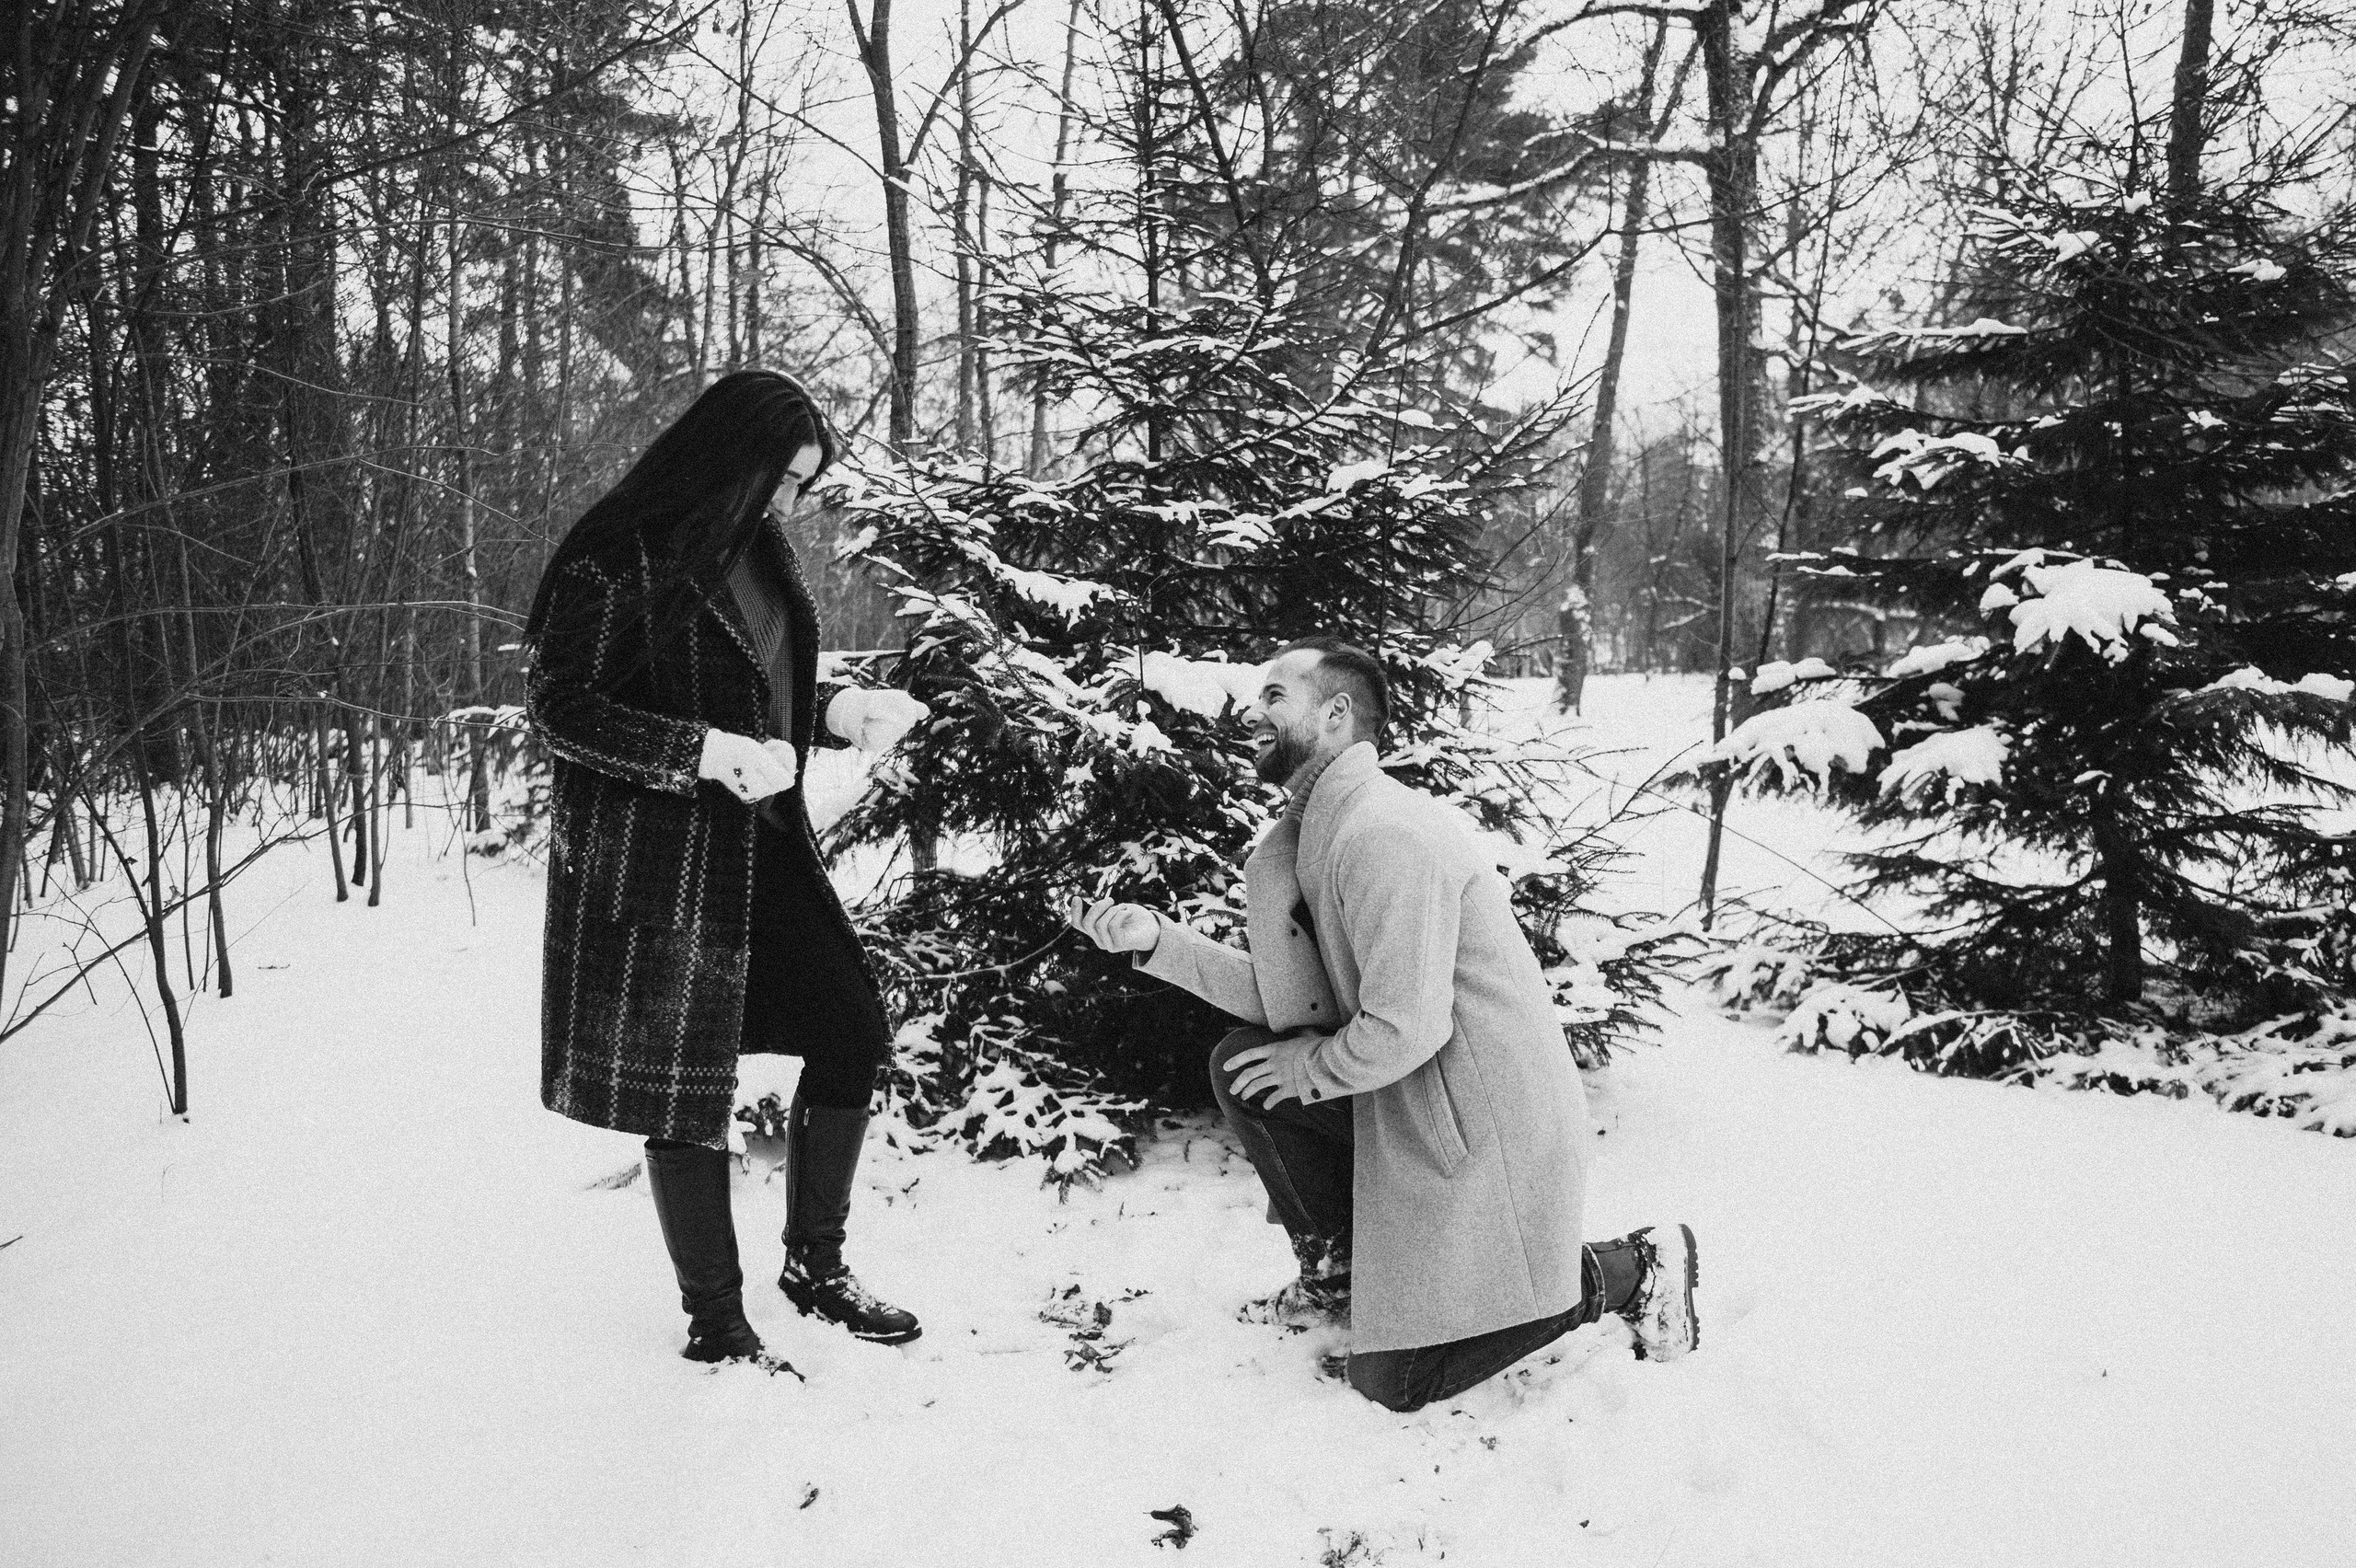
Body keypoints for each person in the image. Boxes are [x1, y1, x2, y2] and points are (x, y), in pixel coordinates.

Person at [1074, 636, 1699, 1412]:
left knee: (1398, 1382)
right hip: (1414, 1094)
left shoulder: (1382, 834)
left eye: (1275, 696)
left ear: (1336, 714)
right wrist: (1159, 943)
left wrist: (1308, 1068)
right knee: (1245, 1066)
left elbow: (1405, 1029)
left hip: (1480, 1126)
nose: (1253, 711)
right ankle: (1339, 1278)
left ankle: (1633, 1268)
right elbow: (1295, 1002)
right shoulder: (1317, 834)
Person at [525, 370, 930, 1366]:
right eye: (784, 478)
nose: (792, 501)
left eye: (804, 483)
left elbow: (758, 685)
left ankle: (816, 1267)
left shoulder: (757, 545)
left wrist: (839, 711)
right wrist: (700, 754)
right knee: (684, 1084)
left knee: (849, 1031)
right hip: (662, 865)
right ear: (731, 458)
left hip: (765, 847)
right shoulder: (617, 551)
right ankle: (716, 1319)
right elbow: (561, 705)